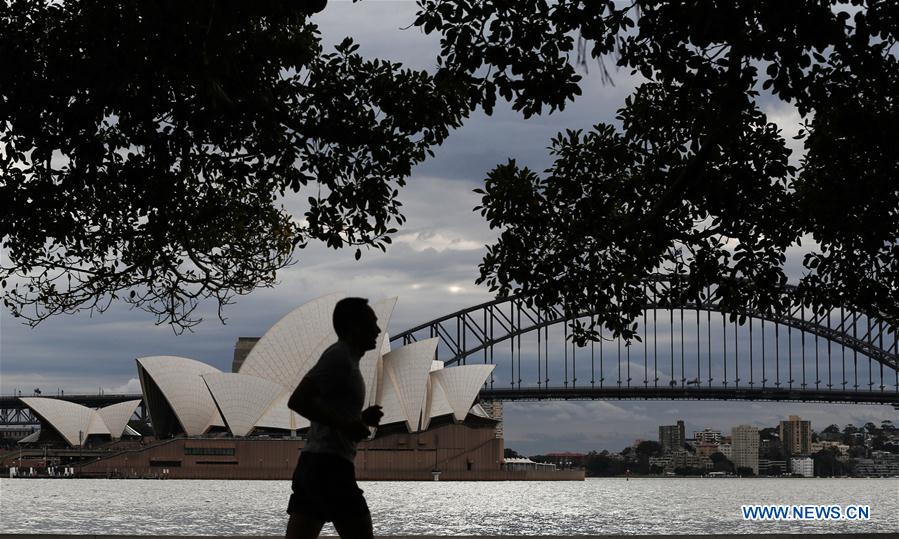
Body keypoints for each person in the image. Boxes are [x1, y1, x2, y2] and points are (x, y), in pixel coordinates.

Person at [286, 297, 384, 539]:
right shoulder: (338, 358)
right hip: (329, 467)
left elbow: (332, 414)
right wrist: (347, 424)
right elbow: (297, 400)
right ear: (353, 327)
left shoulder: (347, 360)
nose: (378, 330)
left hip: (317, 466)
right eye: (371, 323)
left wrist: (360, 419)